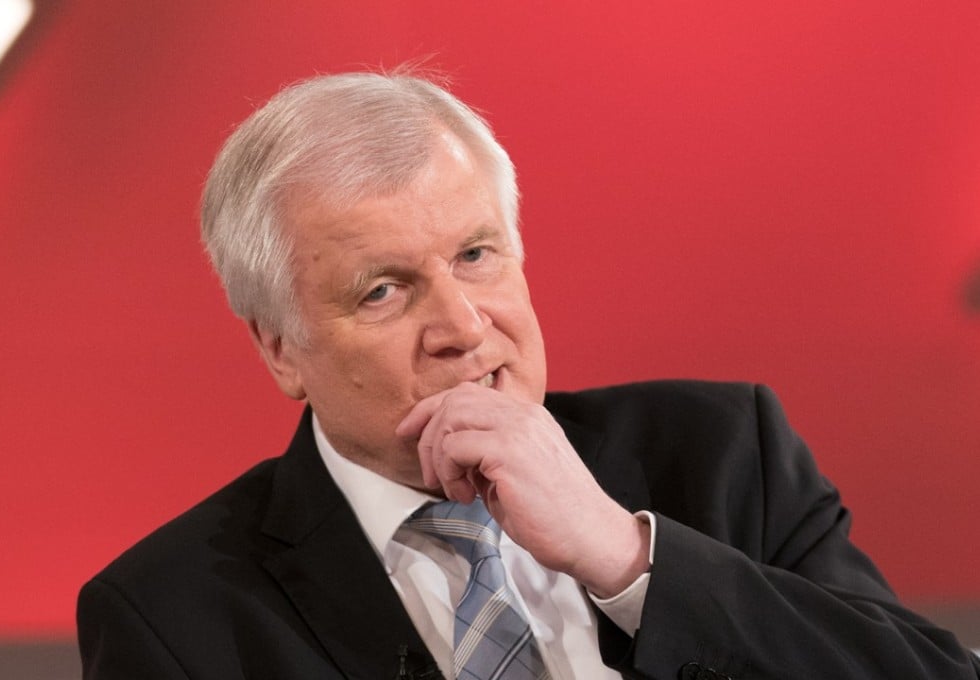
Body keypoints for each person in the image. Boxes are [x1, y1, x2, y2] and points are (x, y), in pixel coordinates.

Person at [76, 70, 980, 680]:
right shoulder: (173, 614)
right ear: (280, 348)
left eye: (476, 255)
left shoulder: (725, 454)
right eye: (385, 291)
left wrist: (629, 559)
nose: (465, 328)